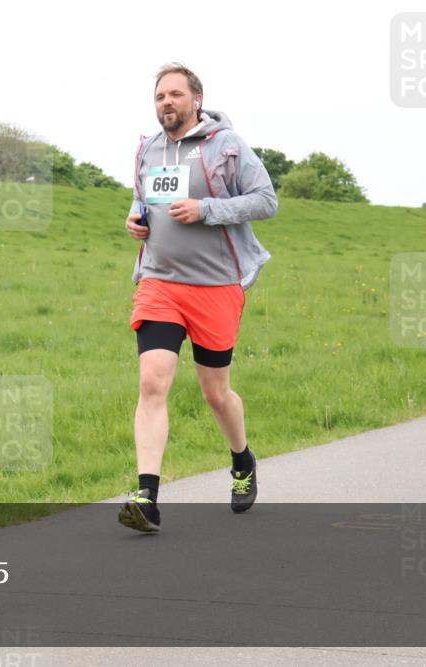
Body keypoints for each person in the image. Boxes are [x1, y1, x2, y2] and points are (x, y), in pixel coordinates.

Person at [118, 63, 278, 533]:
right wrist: (134, 219)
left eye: (174, 94)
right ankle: (146, 496)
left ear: (196, 99)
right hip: (159, 282)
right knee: (152, 382)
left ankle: (241, 460)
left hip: (215, 287)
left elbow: (266, 200)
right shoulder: (147, 148)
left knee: (216, 393)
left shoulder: (227, 145)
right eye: (159, 96)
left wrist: (207, 209)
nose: (165, 102)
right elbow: (142, 199)